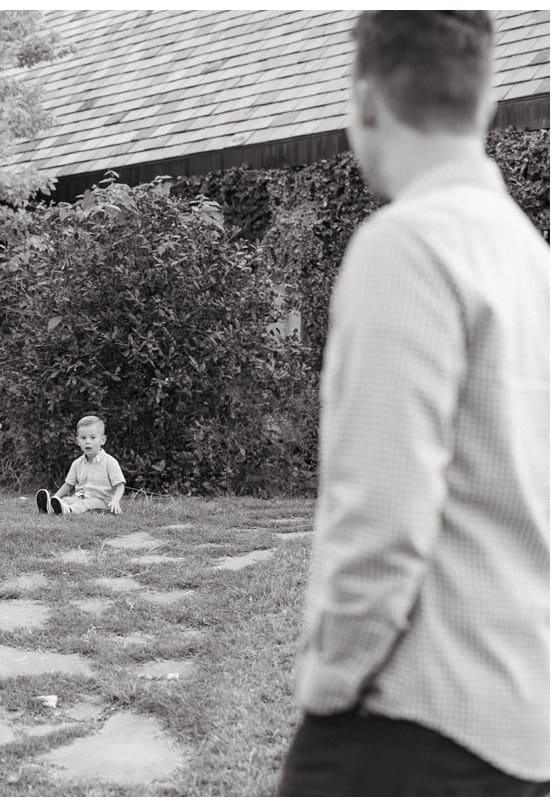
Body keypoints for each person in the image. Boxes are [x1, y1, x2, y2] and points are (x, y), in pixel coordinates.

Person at [278, 11, 549, 796]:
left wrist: (329, 684)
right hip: (523, 725)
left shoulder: (406, 245)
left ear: (365, 97)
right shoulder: (532, 259)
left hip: (415, 718)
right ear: (486, 98)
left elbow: (385, 521)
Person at [35, 415, 125, 515]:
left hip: (102, 501)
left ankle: (68, 511)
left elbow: (120, 485)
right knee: (67, 500)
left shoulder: (110, 462)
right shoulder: (77, 463)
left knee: (83, 504)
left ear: (102, 440)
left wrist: (115, 501)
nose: (87, 441)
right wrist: (55, 498)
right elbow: (68, 484)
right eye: (83, 438)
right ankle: (49, 507)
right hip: (80, 496)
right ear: (78, 441)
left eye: (93, 437)